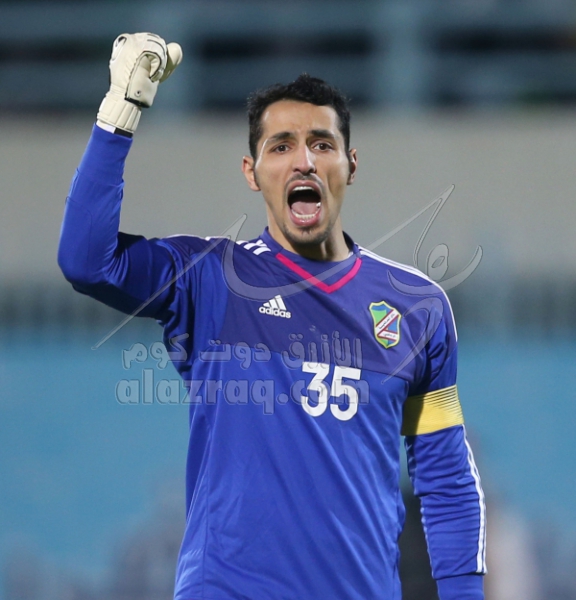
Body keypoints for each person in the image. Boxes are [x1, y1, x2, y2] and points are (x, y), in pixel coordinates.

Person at [58, 32, 486, 600]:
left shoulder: (418, 308)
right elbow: (87, 262)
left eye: (322, 144)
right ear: (252, 171)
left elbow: (445, 477)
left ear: (350, 165)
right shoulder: (210, 279)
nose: (303, 161)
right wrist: (121, 113)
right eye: (281, 146)